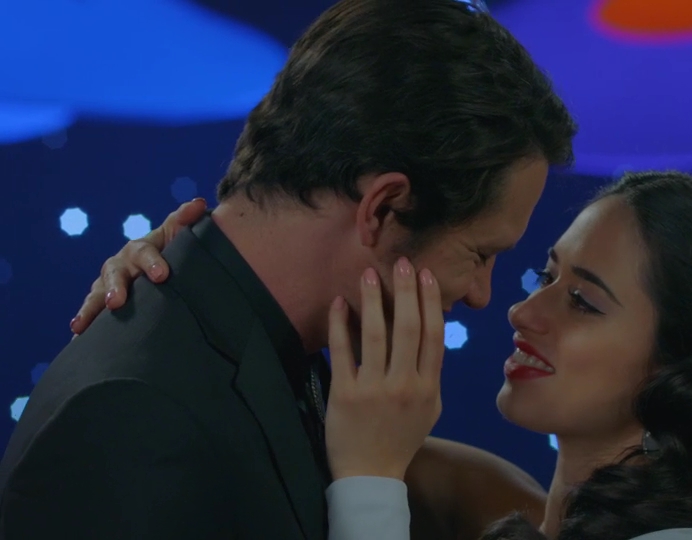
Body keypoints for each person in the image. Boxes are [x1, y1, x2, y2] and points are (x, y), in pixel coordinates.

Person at [0, 0, 576, 539]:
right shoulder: (135, 419)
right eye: (479, 254)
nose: (481, 294)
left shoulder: (274, 354)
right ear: (382, 208)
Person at [71, 171, 692, 540]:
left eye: (583, 300)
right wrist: (190, 277)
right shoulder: (503, 505)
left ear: (689, 365)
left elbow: (366, 461)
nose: (521, 311)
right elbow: (289, 434)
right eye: (547, 276)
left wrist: (370, 483)